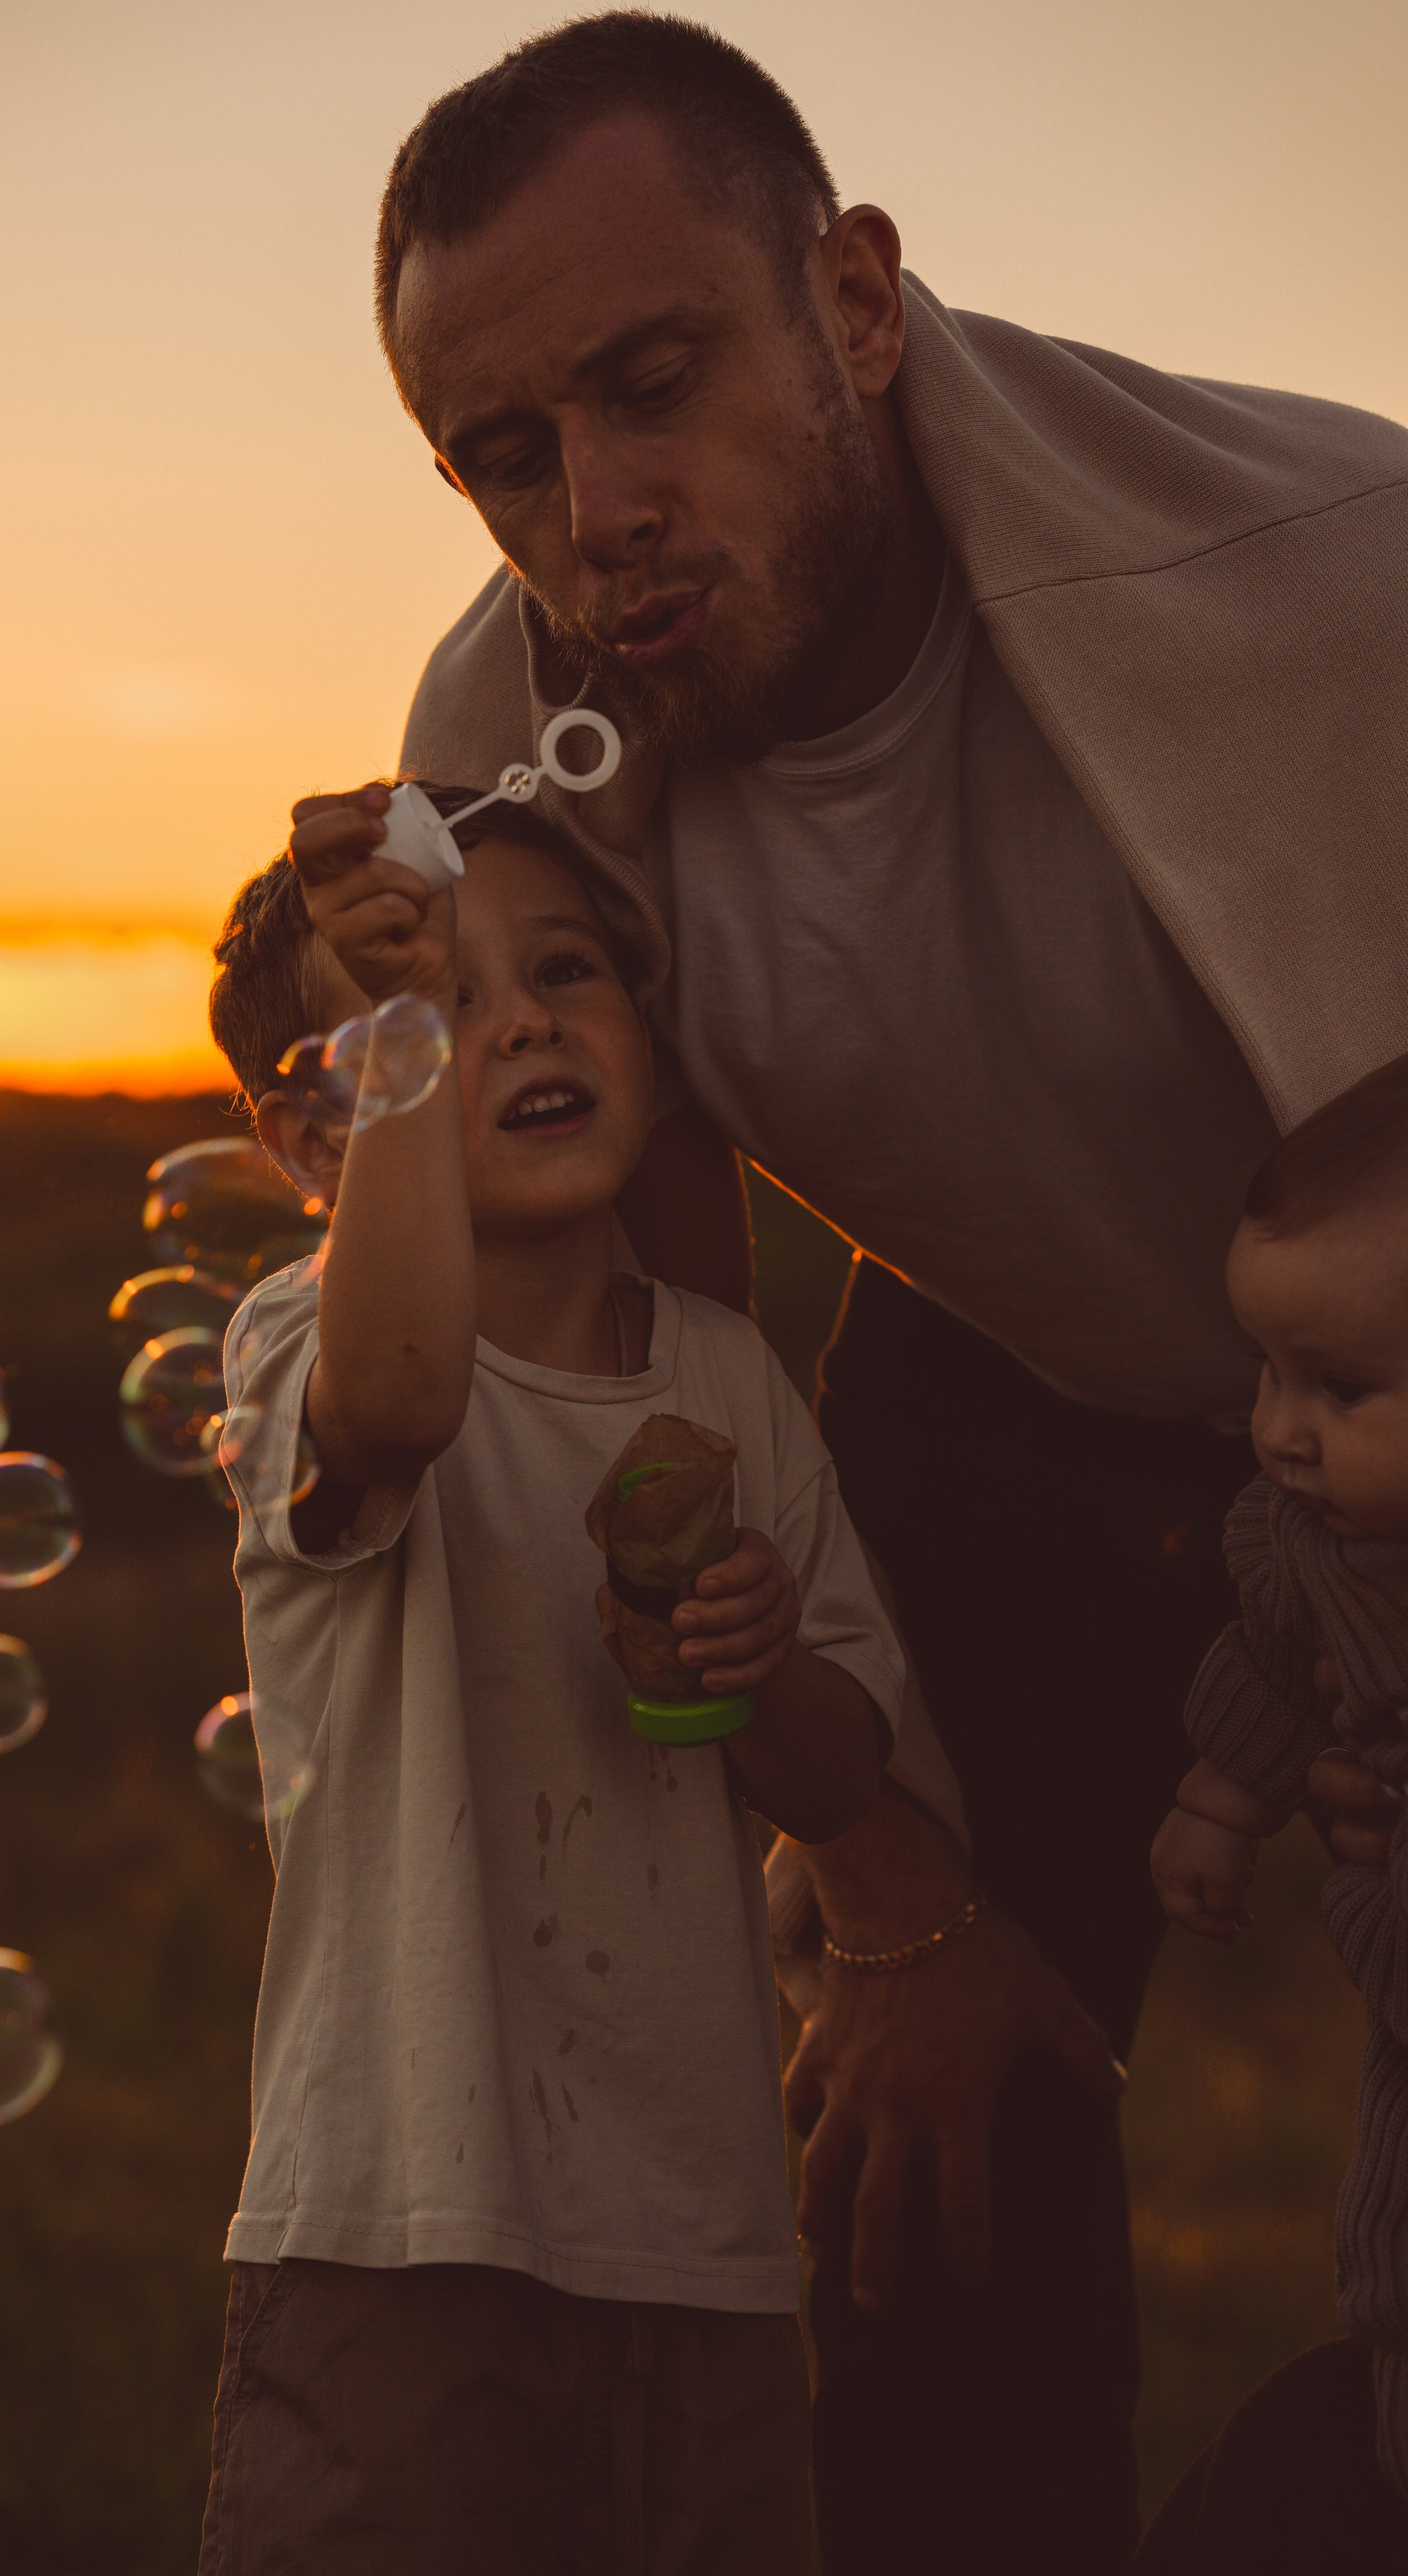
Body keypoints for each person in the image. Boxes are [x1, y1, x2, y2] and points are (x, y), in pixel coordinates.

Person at [377, 15, 1408, 2565]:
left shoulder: (1340, 576)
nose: (595, 514)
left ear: (850, 298)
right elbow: (652, 1388)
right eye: (510, 454)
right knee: (904, 2185)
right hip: (1005, 1382)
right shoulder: (506, 746)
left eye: (654, 382)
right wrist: (892, 1882)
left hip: (1400, 1378)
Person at [197, 782, 902, 2573]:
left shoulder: (732, 1383)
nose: (510, 1018)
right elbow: (402, 1400)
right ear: (314, 1148)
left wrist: (753, 1665)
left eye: (563, 969)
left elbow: (838, 1770)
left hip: (707, 2244)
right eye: (428, 1002)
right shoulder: (308, 1339)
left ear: (656, 1051)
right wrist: (406, 1042)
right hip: (400, 2224)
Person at [1140, 1055, 1408, 2569]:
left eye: (1340, 1389)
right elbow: (1266, 1664)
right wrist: (1216, 1800)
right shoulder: (1303, 1539)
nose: (1281, 1430)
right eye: (1265, 1374)